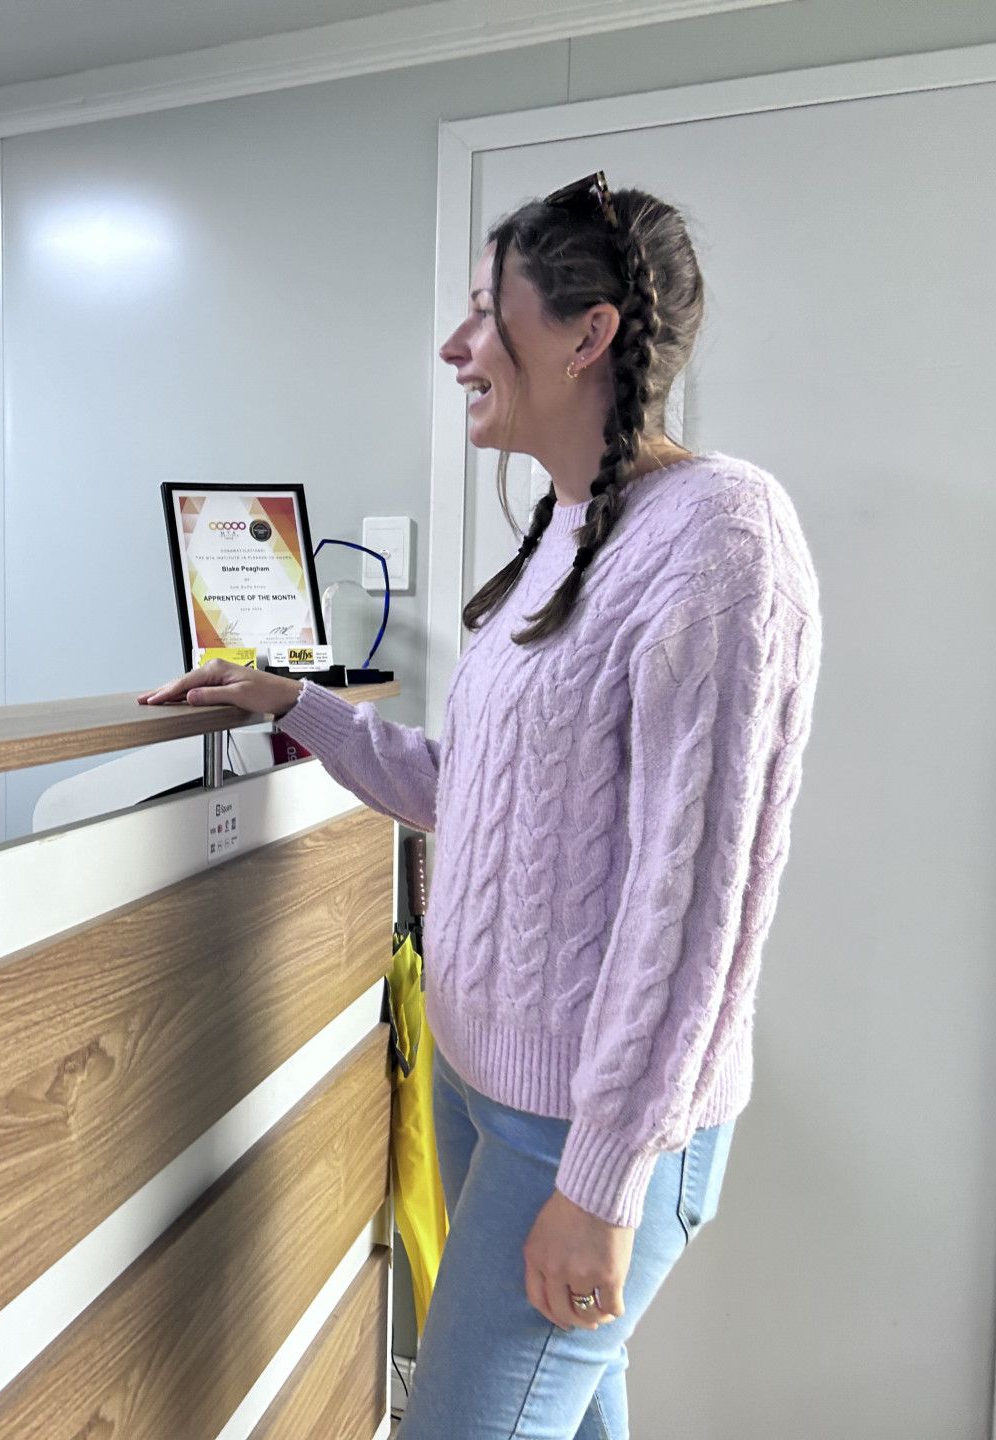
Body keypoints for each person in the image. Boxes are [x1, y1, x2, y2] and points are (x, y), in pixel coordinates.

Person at [143, 173, 820, 1438]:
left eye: (480, 311)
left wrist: (605, 1179)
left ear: (588, 332)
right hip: (482, 1089)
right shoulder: (565, 535)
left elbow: (699, 900)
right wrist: (293, 702)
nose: (456, 348)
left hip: (586, 1131)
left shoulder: (724, 536)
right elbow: (477, 801)